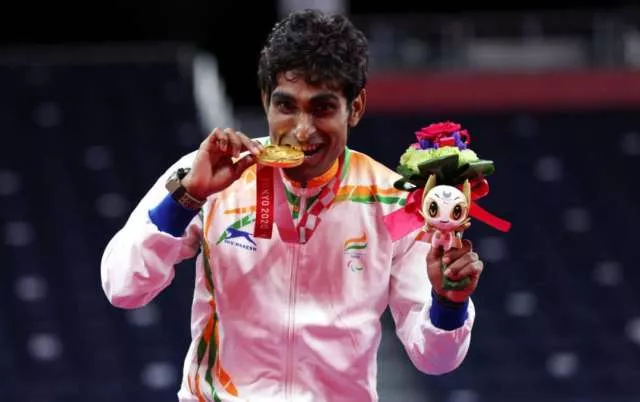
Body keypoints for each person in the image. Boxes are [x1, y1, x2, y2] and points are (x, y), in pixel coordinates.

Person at [101, 9, 485, 402]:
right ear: (265, 99)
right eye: (286, 106)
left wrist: (448, 303)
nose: (302, 130)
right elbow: (123, 286)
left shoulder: (395, 202)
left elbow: (436, 359)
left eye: (322, 108)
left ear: (354, 108)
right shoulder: (207, 175)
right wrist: (187, 198)